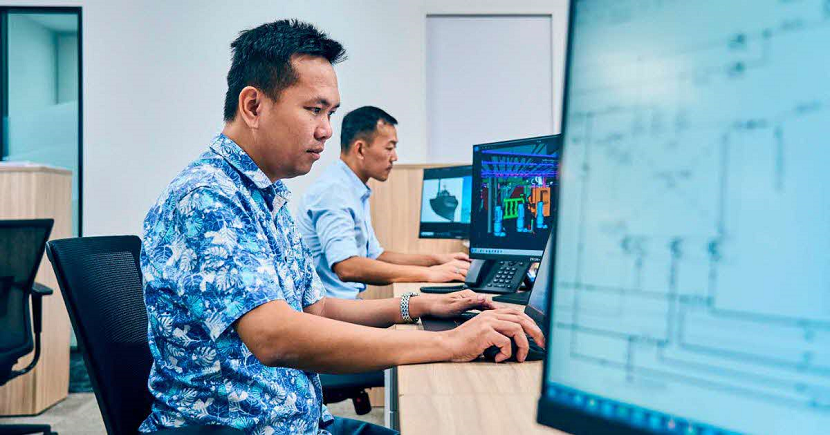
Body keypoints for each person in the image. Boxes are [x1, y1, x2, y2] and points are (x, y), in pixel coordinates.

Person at [139, 19, 544, 435]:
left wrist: (417, 306)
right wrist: (449, 343)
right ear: (253, 106)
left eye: (330, 113)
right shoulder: (207, 197)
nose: (327, 130)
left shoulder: (267, 194)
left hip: (295, 422)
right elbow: (275, 336)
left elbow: (317, 308)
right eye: (314, 110)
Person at [298, 106, 470, 300]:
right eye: (389, 147)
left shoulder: (352, 188)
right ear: (361, 149)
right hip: (332, 311)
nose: (394, 157)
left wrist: (436, 260)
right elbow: (346, 266)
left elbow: (375, 255)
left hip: (347, 304)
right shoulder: (334, 192)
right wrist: (429, 274)